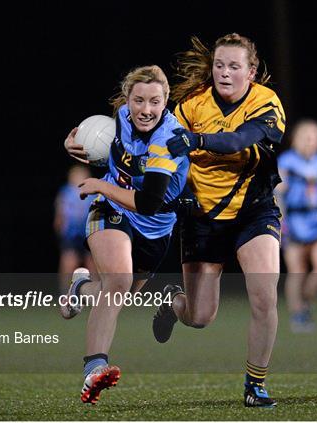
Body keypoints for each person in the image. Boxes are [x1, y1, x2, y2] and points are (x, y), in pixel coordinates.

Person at [152, 34, 286, 408]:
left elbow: (239, 140)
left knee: (264, 296)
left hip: (253, 212)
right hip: (202, 217)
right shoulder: (191, 103)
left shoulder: (266, 103)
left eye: (234, 66)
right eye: (219, 65)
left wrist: (195, 140)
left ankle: (255, 384)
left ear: (252, 71)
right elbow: (157, 146)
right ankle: (174, 303)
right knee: (199, 317)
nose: (224, 73)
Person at [62, 65, 190, 404]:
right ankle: (93, 370)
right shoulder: (120, 117)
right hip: (111, 210)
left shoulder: (168, 139)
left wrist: (102, 182)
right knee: (119, 281)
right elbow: (92, 139)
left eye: (154, 102)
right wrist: (72, 142)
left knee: (117, 294)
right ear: (127, 99)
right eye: (138, 100)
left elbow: (148, 202)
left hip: (154, 225)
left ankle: (80, 288)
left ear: (166, 102)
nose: (145, 110)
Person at [274, 119, 317, 333]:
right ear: (296, 139)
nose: (311, 141)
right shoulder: (286, 161)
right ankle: (298, 315)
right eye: (307, 137)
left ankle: (305, 302)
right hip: (294, 221)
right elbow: (279, 193)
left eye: (315, 137)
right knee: (297, 271)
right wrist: (281, 222)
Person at [53, 164, 97, 294]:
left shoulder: (92, 191)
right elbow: (60, 209)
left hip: (87, 232)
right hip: (71, 233)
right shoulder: (66, 191)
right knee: (68, 260)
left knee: (92, 262)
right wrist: (59, 223)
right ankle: (65, 291)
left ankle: (96, 291)